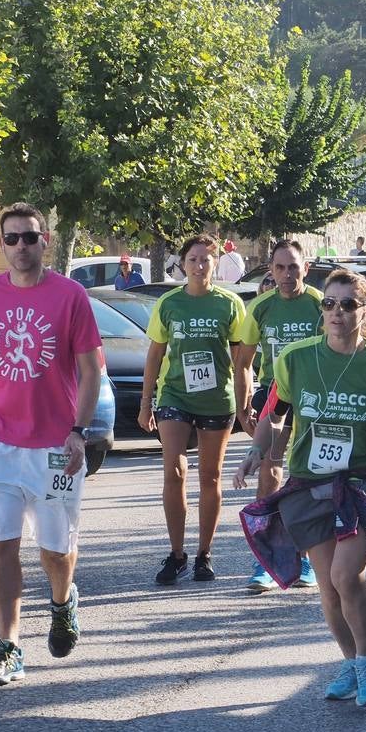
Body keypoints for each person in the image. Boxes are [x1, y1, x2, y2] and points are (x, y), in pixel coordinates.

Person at [233, 270, 366, 708]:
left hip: (361, 483)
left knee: (347, 575)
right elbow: (278, 411)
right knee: (327, 586)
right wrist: (256, 450)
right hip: (310, 482)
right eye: (329, 304)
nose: (337, 313)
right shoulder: (297, 357)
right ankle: (349, 663)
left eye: (347, 305)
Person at [0, 202, 104, 686]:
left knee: (56, 550)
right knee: (1, 545)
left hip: (55, 446)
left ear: (46, 241)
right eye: (12, 238)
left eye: (30, 237)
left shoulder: (70, 296)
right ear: (1, 245)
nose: (21, 246)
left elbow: (88, 371)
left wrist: (78, 430)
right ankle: (9, 647)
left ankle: (63, 601)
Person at [140, 234, 247, 586]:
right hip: (176, 396)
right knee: (174, 470)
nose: (199, 266)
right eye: (193, 259)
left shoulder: (230, 304)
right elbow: (155, 354)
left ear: (216, 264)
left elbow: (240, 357)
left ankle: (204, 553)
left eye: (206, 260)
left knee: (210, 476)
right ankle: (176, 554)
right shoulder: (169, 304)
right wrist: (147, 403)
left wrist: (244, 398)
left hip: (216, 399)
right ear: (182, 264)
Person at [233, 240, 325, 592]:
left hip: (314, 397)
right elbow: (242, 363)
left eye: (294, 267)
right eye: (280, 268)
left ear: (306, 267)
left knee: (308, 477)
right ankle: (267, 560)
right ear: (270, 270)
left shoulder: (320, 304)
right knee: (269, 470)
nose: (287, 275)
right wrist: (243, 406)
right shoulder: (260, 308)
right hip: (275, 395)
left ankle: (305, 558)